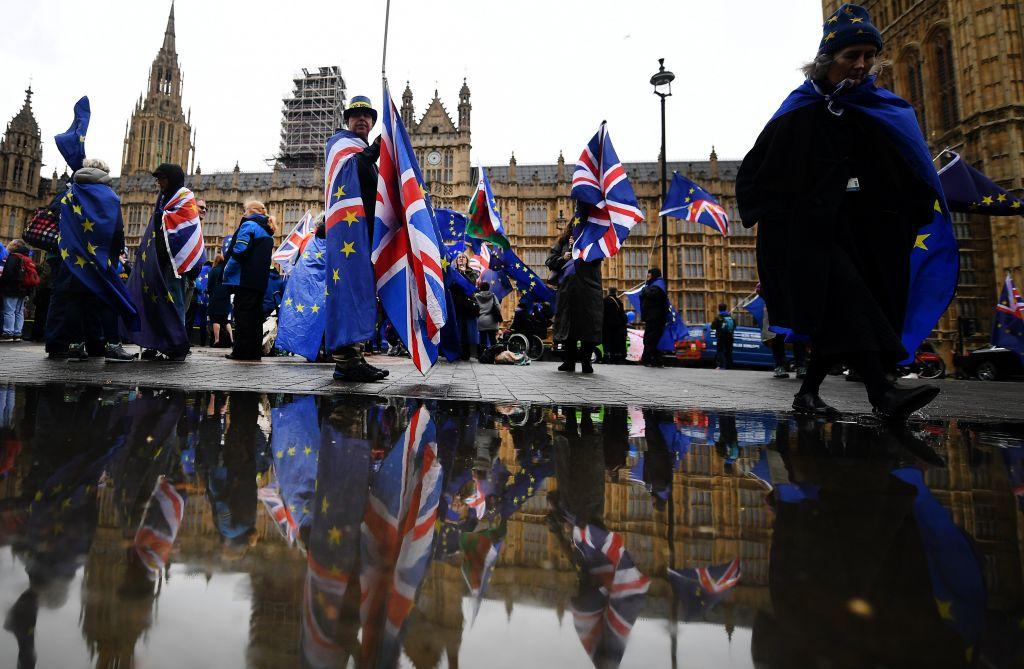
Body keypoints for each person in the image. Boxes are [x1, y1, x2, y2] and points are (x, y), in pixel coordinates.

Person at [736, 3, 941, 418]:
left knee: (842, 309)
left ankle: (807, 392)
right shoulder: (800, 109)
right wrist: (784, 210)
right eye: (852, 56)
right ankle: (882, 393)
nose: (861, 65)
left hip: (863, 231)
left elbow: (905, 171)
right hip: (808, 232)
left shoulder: (881, 109)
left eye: (868, 56)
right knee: (846, 294)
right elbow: (759, 171)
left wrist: (912, 207)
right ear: (828, 59)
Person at [47, 158, 137, 362]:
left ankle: (75, 345)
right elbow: (117, 230)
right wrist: (115, 255)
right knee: (108, 300)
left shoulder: (70, 194)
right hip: (100, 259)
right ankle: (113, 346)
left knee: (75, 301)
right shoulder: (108, 196)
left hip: (73, 259)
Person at [328, 95, 389, 383]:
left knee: (362, 291)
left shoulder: (366, 156)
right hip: (347, 236)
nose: (361, 119)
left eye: (367, 115)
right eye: (356, 115)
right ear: (347, 121)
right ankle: (345, 361)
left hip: (364, 234)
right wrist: (379, 146)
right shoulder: (340, 147)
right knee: (349, 290)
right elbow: (352, 169)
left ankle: (355, 357)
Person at [127, 163, 198, 362]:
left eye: (162, 178)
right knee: (158, 303)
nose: (158, 182)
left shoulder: (184, 197)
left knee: (175, 304)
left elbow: (184, 228)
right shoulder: (164, 198)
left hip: (175, 261)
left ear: (172, 178)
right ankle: (159, 344)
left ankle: (176, 347)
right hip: (159, 259)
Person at [546, 224, 602, 374]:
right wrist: (565, 255)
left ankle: (586, 361)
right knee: (568, 326)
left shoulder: (593, 241)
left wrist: (581, 250)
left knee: (587, 326)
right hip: (567, 291)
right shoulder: (563, 242)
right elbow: (549, 261)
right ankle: (569, 361)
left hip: (588, 290)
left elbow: (598, 259)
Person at [223, 201, 275, 361]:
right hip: (259, 281)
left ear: (250, 212)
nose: (242, 214)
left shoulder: (249, 225)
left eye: (244, 211)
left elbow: (239, 251)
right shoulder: (267, 231)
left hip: (245, 279)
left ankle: (241, 352)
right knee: (255, 317)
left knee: (242, 315)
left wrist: (227, 271)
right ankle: (254, 352)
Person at [0, 240, 36, 342]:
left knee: (9, 311)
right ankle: (17, 333)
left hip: (12, 289)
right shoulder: (27, 258)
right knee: (19, 312)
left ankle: (8, 333)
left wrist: (3, 285)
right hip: (23, 290)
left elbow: (8, 273)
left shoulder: (13, 257)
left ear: (15, 246)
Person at [638, 268, 669, 368]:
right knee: (654, 339)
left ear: (654, 275)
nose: (648, 277)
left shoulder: (658, 286)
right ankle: (657, 360)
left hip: (655, 318)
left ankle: (647, 359)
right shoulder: (656, 285)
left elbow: (652, 295)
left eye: (649, 275)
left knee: (650, 339)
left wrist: (645, 290)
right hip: (654, 317)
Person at [453, 253, 479, 360]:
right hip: (456, 304)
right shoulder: (453, 272)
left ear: (467, 261)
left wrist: (463, 273)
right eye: (459, 257)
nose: (461, 259)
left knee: (467, 330)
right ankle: (456, 351)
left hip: (467, 305)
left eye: (463, 257)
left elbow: (472, 285)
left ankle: (467, 353)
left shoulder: (472, 272)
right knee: (457, 329)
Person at [206, 253, 232, 347]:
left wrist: (209, 292)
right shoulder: (226, 271)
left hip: (215, 297)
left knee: (216, 319)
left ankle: (217, 340)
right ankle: (232, 339)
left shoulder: (213, 271)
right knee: (225, 320)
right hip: (226, 296)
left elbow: (209, 285)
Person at [602, 288, 627, 363]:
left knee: (606, 342)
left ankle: (606, 357)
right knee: (615, 342)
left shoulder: (605, 300)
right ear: (616, 293)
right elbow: (622, 313)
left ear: (608, 292)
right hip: (617, 326)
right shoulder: (619, 301)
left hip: (606, 325)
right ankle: (615, 358)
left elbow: (602, 312)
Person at [474, 281, 501, 353]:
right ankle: (494, 355)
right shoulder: (493, 296)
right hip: (492, 320)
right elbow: (498, 307)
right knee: (492, 339)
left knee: (482, 339)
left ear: (480, 288)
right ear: (489, 288)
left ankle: (482, 355)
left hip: (481, 320)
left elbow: (475, 307)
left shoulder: (476, 296)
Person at [711, 303, 736, 370]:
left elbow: (712, 327)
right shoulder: (731, 317)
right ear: (726, 308)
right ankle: (729, 366)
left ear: (719, 309)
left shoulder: (718, 317)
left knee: (720, 351)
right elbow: (734, 327)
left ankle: (720, 365)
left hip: (721, 336)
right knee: (729, 351)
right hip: (730, 336)